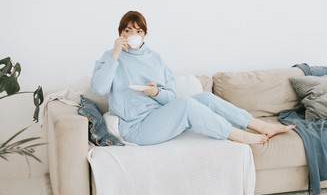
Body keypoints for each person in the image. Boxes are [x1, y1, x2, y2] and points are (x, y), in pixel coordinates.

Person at [90, 11, 295, 146]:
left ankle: (260, 125)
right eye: (128, 31)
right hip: (136, 127)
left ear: (145, 34)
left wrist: (156, 92)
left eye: (138, 31)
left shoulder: (156, 59)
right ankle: (237, 135)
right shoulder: (111, 57)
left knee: (205, 98)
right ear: (120, 33)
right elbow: (99, 88)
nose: (133, 34)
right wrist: (115, 54)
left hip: (160, 116)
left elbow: (171, 97)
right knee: (187, 105)